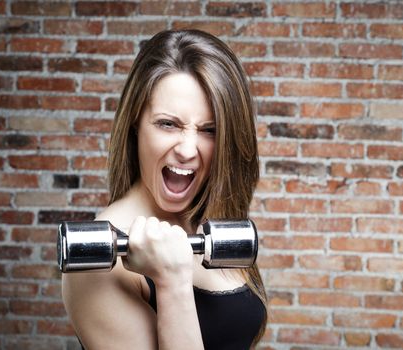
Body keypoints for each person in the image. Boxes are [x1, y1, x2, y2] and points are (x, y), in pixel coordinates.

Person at [62, 29, 267, 350]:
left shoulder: (207, 217)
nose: (187, 149)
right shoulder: (98, 266)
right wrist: (172, 283)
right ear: (135, 122)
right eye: (168, 124)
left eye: (209, 130)